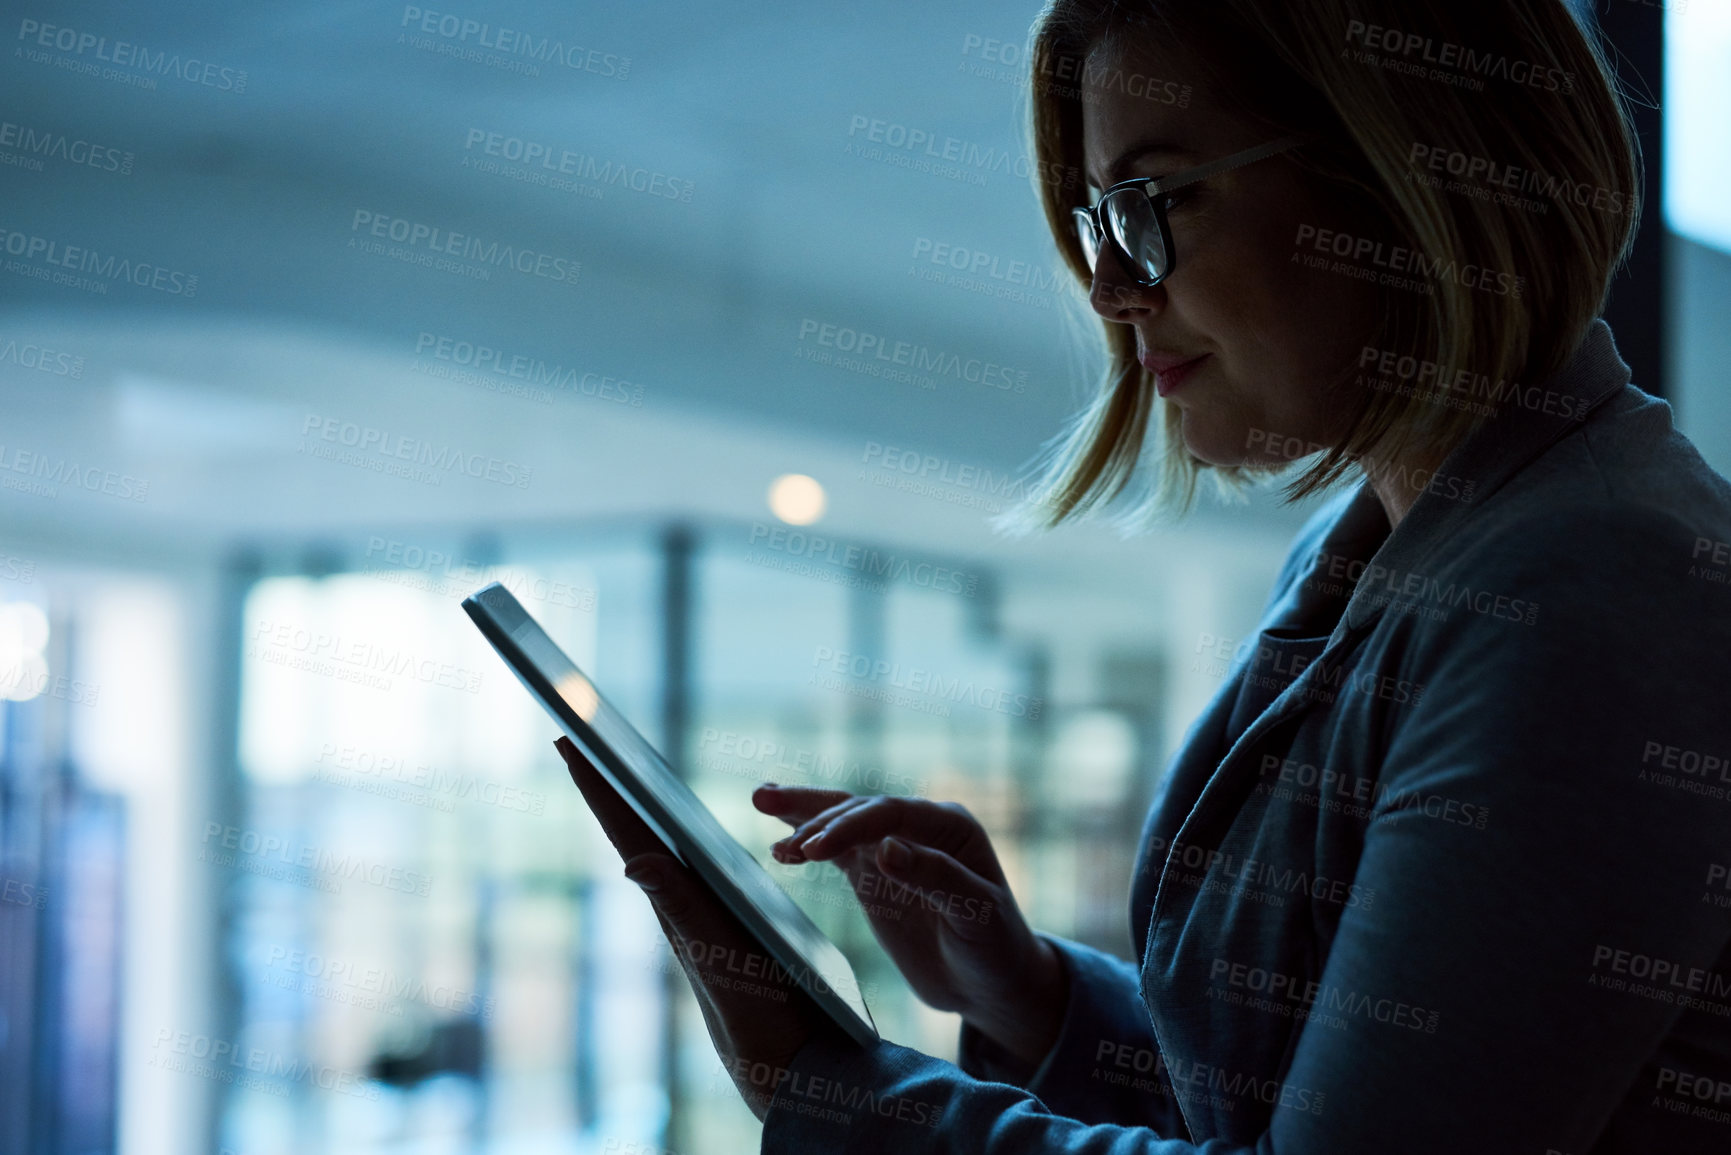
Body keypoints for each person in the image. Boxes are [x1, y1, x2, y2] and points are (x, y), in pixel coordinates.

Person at [558, 0, 1731, 1149]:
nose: (1115, 290)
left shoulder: (1589, 591)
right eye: (1098, 226)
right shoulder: (1404, 549)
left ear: (1408, 172)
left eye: (1154, 205)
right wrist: (1033, 997)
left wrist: (840, 1096)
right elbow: (1298, 1094)